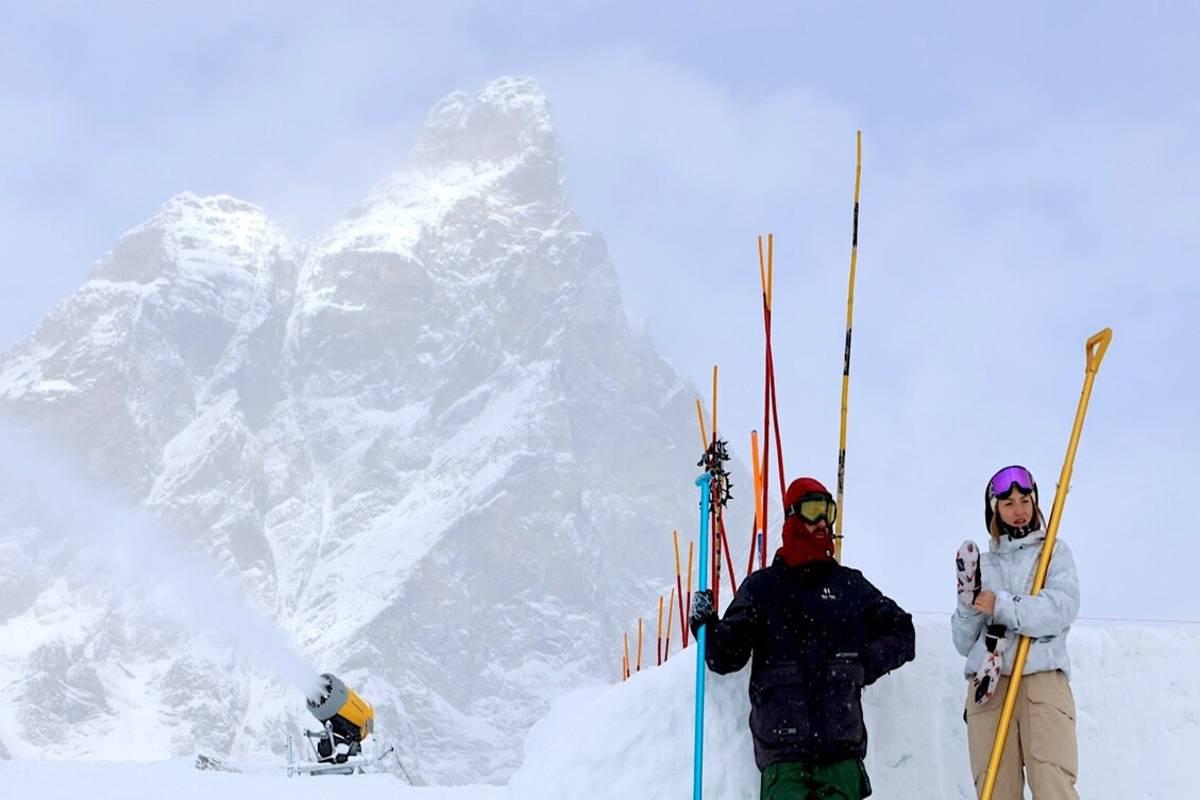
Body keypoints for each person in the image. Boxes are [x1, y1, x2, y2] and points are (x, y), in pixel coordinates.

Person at [689, 476, 915, 800]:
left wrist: (860, 665)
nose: (822, 522)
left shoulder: (849, 587)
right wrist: (706, 624)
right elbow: (725, 656)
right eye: (813, 510)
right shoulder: (763, 588)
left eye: (828, 512)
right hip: (784, 759)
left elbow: (902, 632)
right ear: (793, 517)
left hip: (841, 756)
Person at [952, 464, 1080, 799]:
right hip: (989, 686)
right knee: (995, 789)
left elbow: (1061, 607)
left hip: (1041, 678)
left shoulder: (1052, 553)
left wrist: (1002, 606)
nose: (1019, 510)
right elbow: (963, 642)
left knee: (1053, 784)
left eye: (1025, 500)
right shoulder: (982, 564)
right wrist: (968, 605)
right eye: (1008, 504)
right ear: (994, 511)